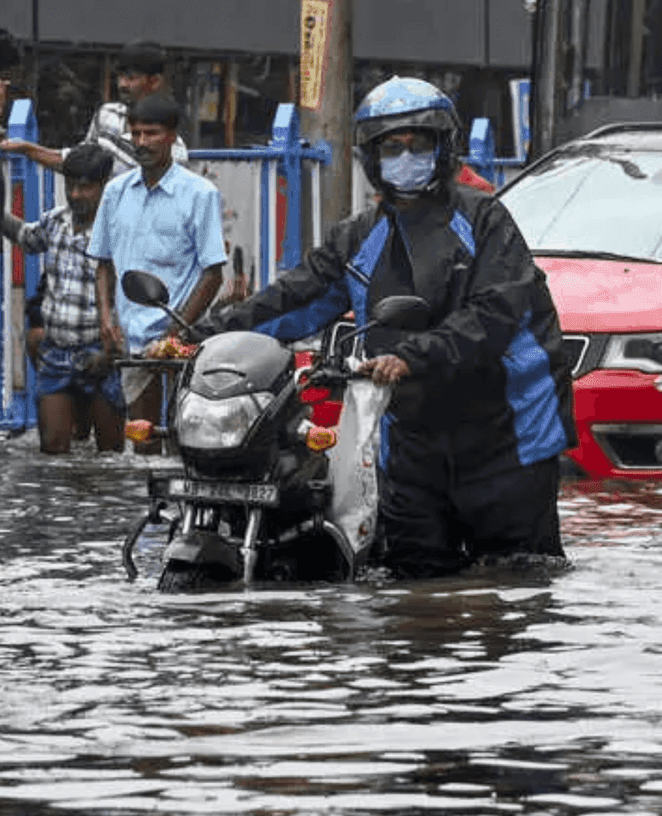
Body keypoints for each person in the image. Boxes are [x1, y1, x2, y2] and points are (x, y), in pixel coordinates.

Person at [188, 77, 574, 578]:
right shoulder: (359, 238)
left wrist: (412, 356)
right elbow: (294, 299)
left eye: (418, 145)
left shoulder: (485, 221)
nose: (406, 157)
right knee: (409, 582)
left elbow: (493, 315)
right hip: (410, 436)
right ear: (372, 157)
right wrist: (206, 336)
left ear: (444, 148)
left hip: (507, 437)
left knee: (517, 579)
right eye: (393, 147)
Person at [87, 93, 226, 454]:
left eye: (151, 133)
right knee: (143, 445)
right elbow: (102, 263)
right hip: (133, 340)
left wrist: (175, 333)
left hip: (182, 339)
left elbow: (213, 274)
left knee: (188, 442)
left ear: (171, 137)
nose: (141, 143)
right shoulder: (115, 193)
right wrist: (106, 317)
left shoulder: (200, 194)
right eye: (135, 134)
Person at [2, 144, 122, 454]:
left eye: (86, 187)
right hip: (56, 355)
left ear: (104, 184)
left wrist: (111, 353)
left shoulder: (120, 229)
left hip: (104, 357)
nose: (76, 195)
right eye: (71, 186)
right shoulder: (55, 221)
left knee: (111, 459)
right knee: (53, 454)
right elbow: (26, 238)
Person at [2, 40, 190, 175]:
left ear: (155, 82)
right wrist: (26, 149)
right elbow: (80, 162)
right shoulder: (108, 115)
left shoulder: (172, 137)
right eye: (120, 77)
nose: (122, 85)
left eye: (131, 78)